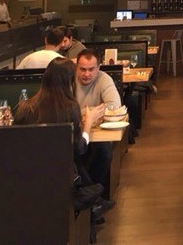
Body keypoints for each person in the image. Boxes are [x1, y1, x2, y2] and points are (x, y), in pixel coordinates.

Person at [15, 57, 114, 226]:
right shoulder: (69, 108)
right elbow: (79, 148)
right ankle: (93, 203)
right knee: (85, 156)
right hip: (60, 177)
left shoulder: (25, 106)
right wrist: (88, 123)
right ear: (70, 82)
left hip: (27, 173)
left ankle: (95, 203)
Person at [75, 49, 121, 191]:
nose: (86, 74)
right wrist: (90, 113)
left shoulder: (104, 79)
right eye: (82, 69)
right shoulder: (69, 79)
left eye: (91, 69)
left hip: (97, 131)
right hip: (73, 131)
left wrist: (85, 114)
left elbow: (114, 105)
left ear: (98, 68)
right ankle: (88, 194)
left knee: (104, 151)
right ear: (76, 67)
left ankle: (94, 191)